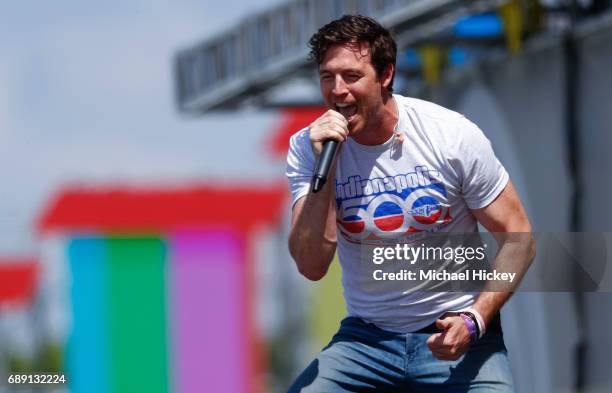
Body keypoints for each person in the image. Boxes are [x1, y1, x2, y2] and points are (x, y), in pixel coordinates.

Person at [285, 15, 535, 392]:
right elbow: (310, 264)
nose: (337, 91)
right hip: (366, 342)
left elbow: (519, 237)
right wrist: (328, 169)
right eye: (327, 77)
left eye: (351, 76)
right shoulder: (310, 147)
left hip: (455, 330)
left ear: (386, 74)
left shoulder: (449, 135)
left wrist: (474, 320)